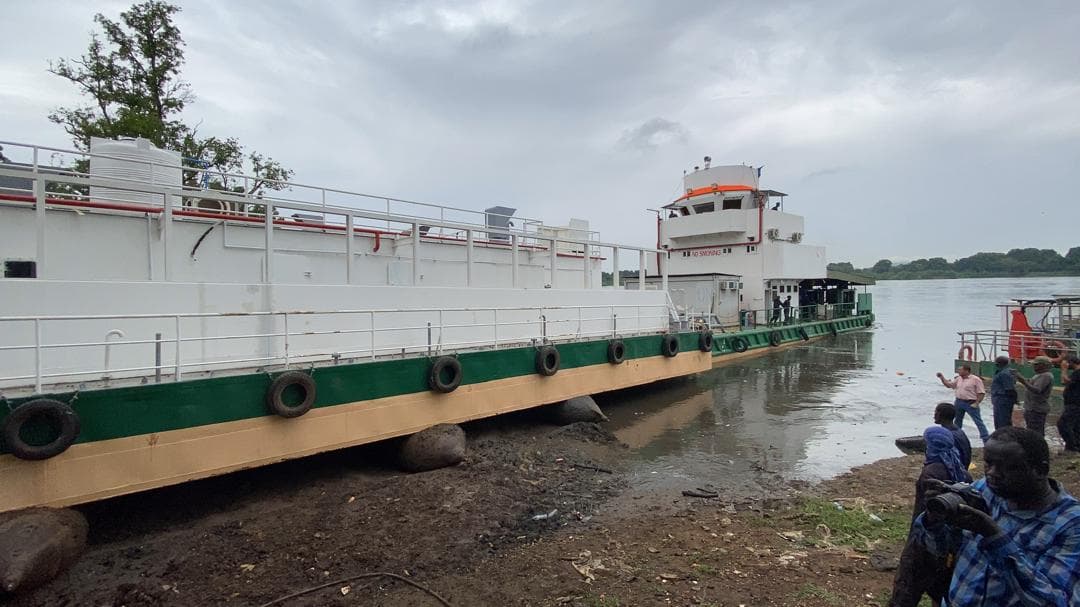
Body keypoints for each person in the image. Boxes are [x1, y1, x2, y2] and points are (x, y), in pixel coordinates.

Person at [911, 427, 1080, 606]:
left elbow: (1055, 601)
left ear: (1040, 470)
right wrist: (934, 520)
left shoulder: (1070, 524)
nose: (992, 473)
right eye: (988, 464)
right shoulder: (985, 490)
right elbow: (941, 548)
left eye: (1008, 467)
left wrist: (994, 536)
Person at [888, 426, 971, 607]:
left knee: (906, 586)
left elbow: (928, 510)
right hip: (951, 543)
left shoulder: (931, 472)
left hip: (924, 537)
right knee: (940, 588)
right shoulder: (961, 470)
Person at [936, 365, 989, 443]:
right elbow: (949, 385)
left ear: (966, 371)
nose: (958, 371)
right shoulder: (959, 378)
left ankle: (986, 439)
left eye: (960, 370)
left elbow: (981, 392)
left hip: (970, 402)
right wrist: (942, 378)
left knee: (978, 421)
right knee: (957, 421)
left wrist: (977, 403)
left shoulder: (975, 379)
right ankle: (956, 437)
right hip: (959, 401)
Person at [1012, 356, 1054, 436]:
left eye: (1036, 365)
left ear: (1043, 365)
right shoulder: (1039, 375)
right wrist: (1020, 377)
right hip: (1032, 408)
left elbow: (1037, 390)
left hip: (1037, 409)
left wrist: (1023, 381)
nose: (1033, 366)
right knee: (1032, 429)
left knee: (1035, 431)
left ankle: (1038, 447)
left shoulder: (1046, 376)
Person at [934, 401, 972, 468]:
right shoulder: (959, 431)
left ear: (940, 414)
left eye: (935, 412)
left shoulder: (947, 436)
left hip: (957, 469)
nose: (934, 415)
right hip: (964, 466)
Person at [1056, 355, 1080, 453]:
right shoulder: (1076, 373)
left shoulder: (1078, 373)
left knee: (1062, 423)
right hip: (1073, 403)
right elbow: (1064, 382)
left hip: (1074, 404)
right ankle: (1076, 446)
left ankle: (1071, 446)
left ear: (1071, 363)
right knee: (1076, 426)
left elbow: (1065, 381)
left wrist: (1064, 369)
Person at [989, 356, 1018, 429]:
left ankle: (1004, 437)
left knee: (1002, 422)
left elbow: (1010, 389)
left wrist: (1014, 400)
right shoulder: (1003, 372)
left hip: (1003, 400)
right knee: (999, 421)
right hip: (999, 400)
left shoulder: (1005, 373)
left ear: (999, 364)